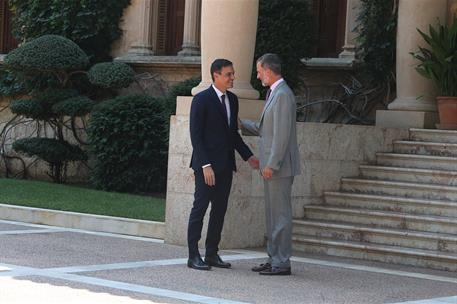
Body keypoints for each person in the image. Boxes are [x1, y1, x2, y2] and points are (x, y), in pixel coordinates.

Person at [187, 58, 259, 271]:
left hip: (226, 166)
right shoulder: (201, 100)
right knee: (199, 210)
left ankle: (211, 254)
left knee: (219, 211)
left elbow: (232, 136)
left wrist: (249, 157)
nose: (232, 78)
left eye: (233, 73)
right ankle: (193, 256)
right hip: (206, 167)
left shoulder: (233, 100)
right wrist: (205, 165)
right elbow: (196, 136)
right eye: (228, 74)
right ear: (216, 75)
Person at [240, 53, 300, 275]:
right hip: (273, 166)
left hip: (278, 167)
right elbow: (268, 129)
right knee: (273, 215)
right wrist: (239, 123)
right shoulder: (275, 93)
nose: (257, 75)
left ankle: (281, 262)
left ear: (268, 70)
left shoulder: (283, 95)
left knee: (280, 215)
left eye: (259, 71)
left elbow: (282, 136)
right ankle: (274, 257)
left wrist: (272, 164)